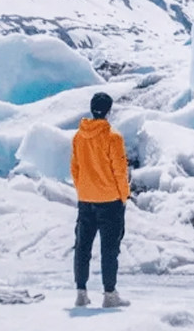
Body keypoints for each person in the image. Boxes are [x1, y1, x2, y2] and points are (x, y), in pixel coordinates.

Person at [70, 91, 131, 308]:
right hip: (110, 201)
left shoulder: (79, 136)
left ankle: (81, 292)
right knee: (109, 249)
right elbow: (120, 171)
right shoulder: (113, 138)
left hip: (86, 199)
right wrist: (124, 196)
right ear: (108, 111)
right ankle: (110, 294)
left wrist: (83, 190)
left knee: (82, 247)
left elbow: (75, 168)